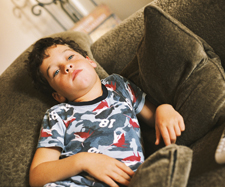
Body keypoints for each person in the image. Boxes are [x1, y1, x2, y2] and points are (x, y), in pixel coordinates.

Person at [26, 37, 185, 187]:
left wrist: (165, 108)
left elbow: (152, 117)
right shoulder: (58, 115)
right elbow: (37, 175)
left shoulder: (118, 85)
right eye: (55, 72)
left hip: (132, 179)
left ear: (90, 61)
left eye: (69, 57)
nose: (66, 67)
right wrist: (84, 161)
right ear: (58, 95)